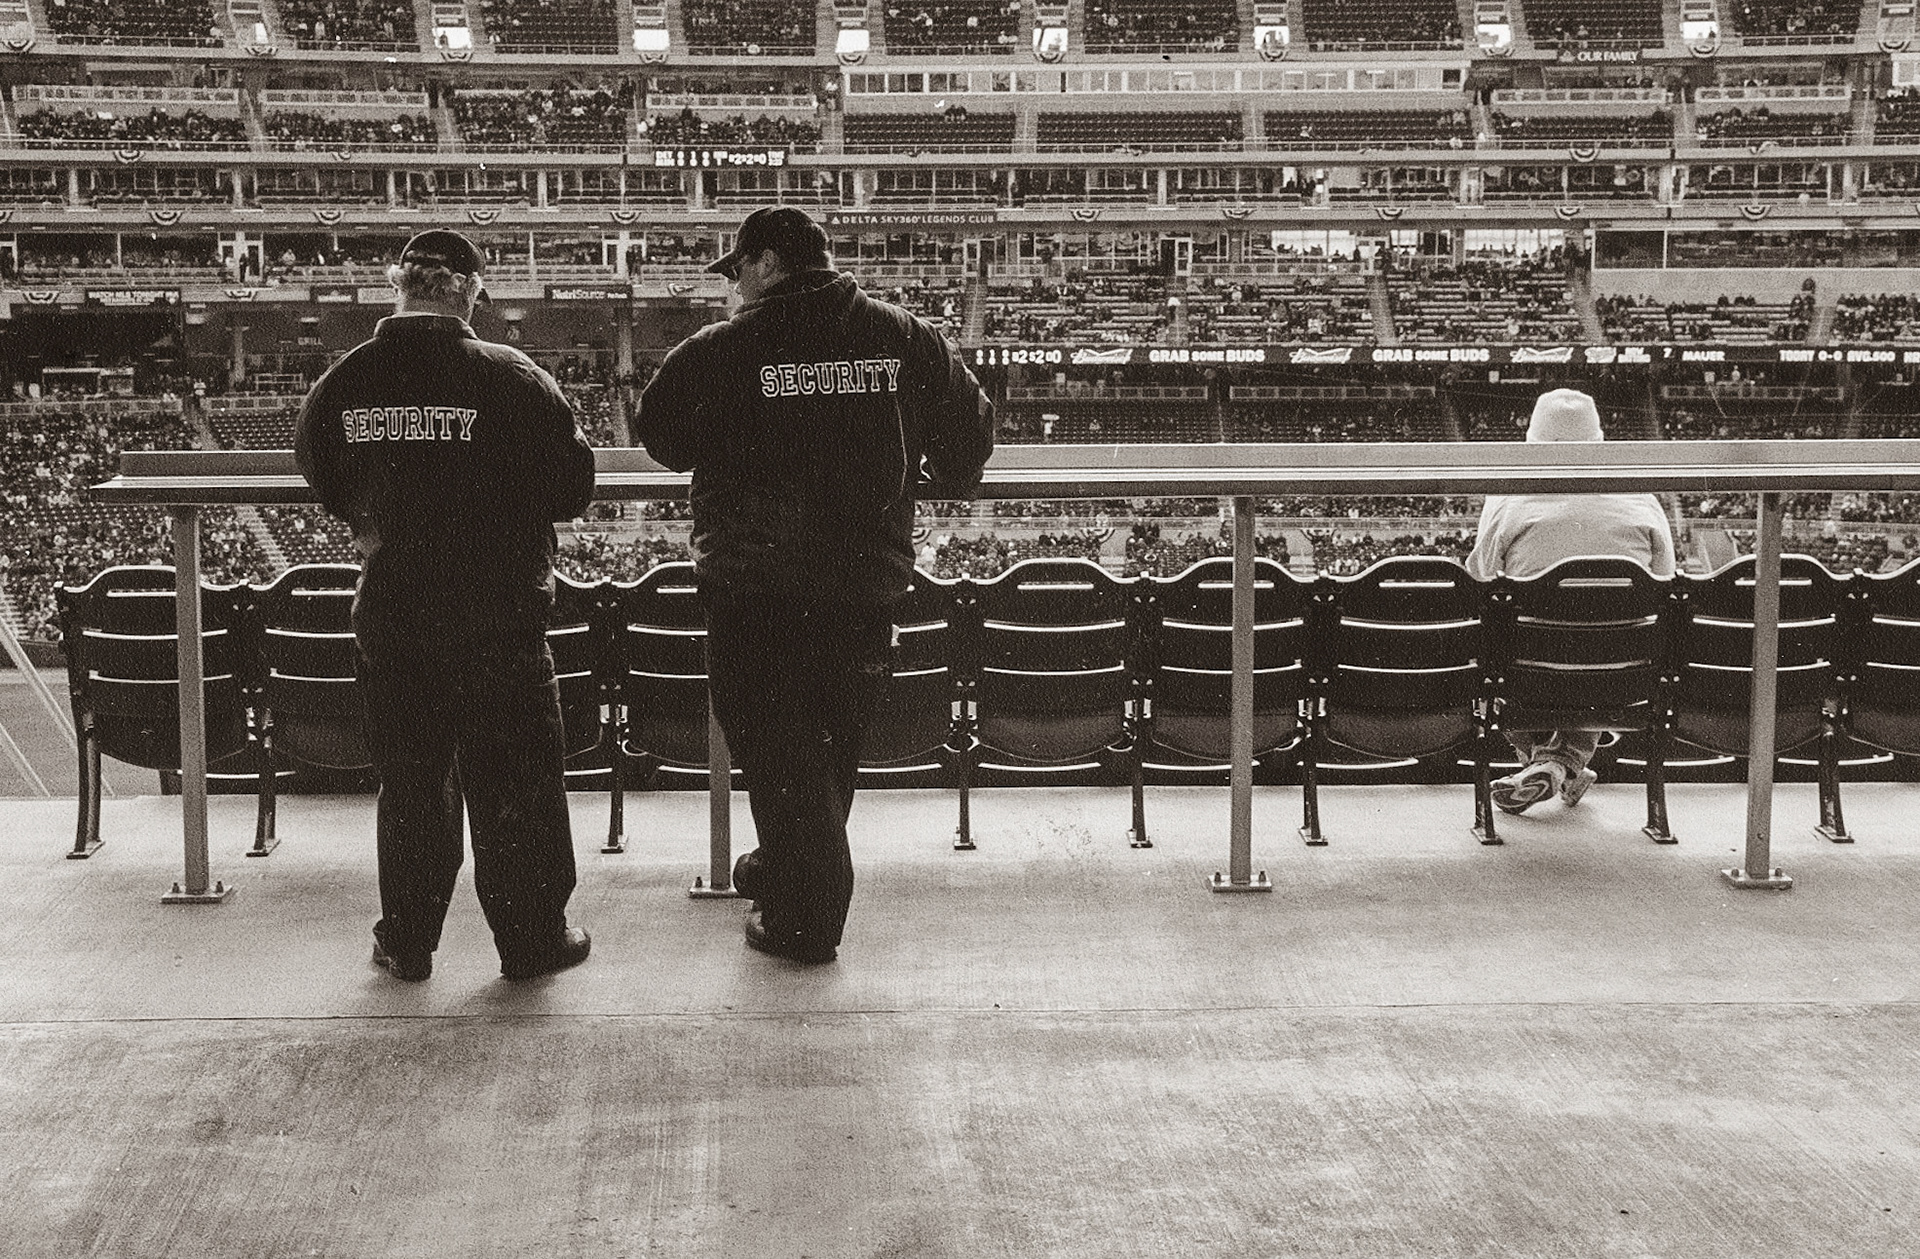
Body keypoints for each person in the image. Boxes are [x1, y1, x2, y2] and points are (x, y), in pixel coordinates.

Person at [633, 207, 995, 964]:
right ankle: (783, 869)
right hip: (863, 584)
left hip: (753, 587)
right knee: (828, 747)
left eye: (737, 273)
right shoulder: (901, 334)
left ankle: (809, 918)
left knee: (774, 746)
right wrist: (934, 472)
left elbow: (661, 434)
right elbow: (971, 432)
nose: (735, 290)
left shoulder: (725, 347)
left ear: (766, 264)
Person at [294, 229, 597, 983]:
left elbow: (323, 474)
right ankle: (531, 941)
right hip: (499, 622)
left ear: (399, 285)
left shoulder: (343, 381)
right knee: (517, 786)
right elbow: (571, 488)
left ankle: (407, 941)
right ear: (468, 291)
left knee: (412, 787)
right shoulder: (513, 376)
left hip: (395, 616)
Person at [1466, 388, 1676, 815]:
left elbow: (1481, 582)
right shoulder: (1642, 499)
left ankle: (1551, 764)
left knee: (1506, 639)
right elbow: (1668, 586)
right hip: (1622, 676)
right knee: (1594, 644)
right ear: (1598, 442)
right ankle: (1564, 766)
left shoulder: (1507, 496)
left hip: (1529, 674)